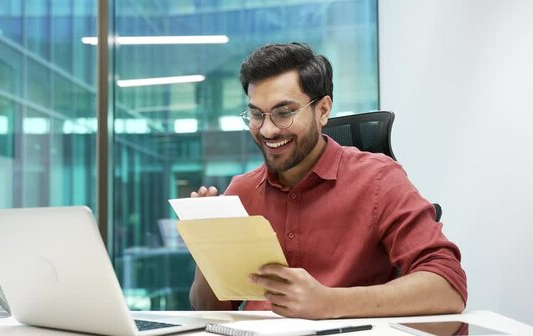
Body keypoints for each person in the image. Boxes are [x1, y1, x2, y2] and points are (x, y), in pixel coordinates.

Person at [188, 42, 467, 319]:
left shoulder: (378, 179)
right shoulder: (241, 191)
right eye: (257, 114)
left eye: (284, 113)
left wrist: (331, 302)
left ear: (323, 110)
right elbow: (208, 310)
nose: (268, 129)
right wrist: (207, 250)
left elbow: (447, 286)